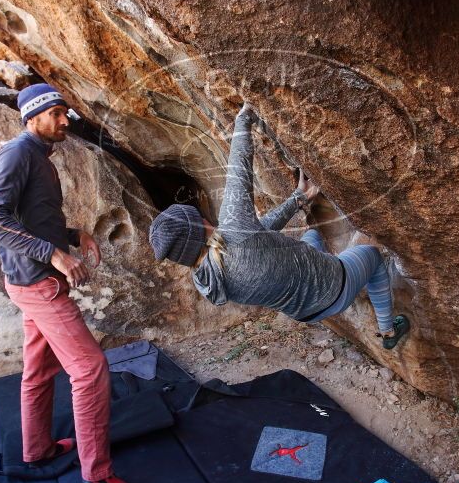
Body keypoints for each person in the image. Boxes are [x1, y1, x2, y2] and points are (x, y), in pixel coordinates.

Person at [0, 83, 135, 483]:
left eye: (66, 113)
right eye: (57, 113)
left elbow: (30, 217)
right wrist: (55, 256)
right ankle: (97, 472)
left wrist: (71, 234)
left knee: (39, 370)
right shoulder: (18, 152)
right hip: (37, 284)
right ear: (33, 117)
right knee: (89, 369)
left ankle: (38, 449)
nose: (66, 121)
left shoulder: (38, 157)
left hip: (31, 279)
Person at [148, 103, 410, 347]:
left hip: (305, 312)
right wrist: (244, 118)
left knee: (313, 236)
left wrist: (298, 199)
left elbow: (259, 234)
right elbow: (239, 169)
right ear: (199, 227)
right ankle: (388, 332)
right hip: (335, 288)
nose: (203, 217)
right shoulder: (235, 232)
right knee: (374, 257)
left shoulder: (205, 278)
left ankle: (326, 264)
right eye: (197, 218)